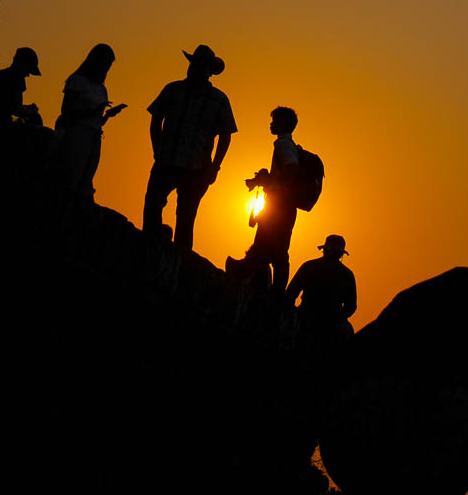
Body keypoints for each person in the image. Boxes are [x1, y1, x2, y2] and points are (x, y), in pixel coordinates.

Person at [142, 44, 237, 251]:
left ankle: (181, 262)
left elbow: (226, 136)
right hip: (166, 159)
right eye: (194, 64)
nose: (195, 68)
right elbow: (156, 119)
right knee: (152, 205)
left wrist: (214, 167)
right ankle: (149, 249)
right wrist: (156, 149)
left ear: (209, 72)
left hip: (196, 167)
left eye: (201, 65)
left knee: (185, 218)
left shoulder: (219, 99)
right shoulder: (172, 89)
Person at [230, 106, 300, 296]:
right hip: (281, 203)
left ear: (283, 123)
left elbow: (291, 168)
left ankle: (258, 280)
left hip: (279, 203)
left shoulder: (282, 144)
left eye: (274, 120)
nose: (271, 124)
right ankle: (254, 278)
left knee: (272, 246)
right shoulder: (287, 144)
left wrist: (279, 188)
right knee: (267, 244)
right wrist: (262, 180)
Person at [56, 43, 126, 197]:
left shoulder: (101, 88)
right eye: (105, 64)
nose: (107, 69)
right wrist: (92, 111)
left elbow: (97, 120)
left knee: (86, 180)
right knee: (71, 178)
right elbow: (66, 110)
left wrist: (107, 115)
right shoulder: (77, 81)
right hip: (77, 134)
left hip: (95, 136)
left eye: (109, 66)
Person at [285, 235, 357, 346]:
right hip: (330, 324)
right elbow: (351, 306)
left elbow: (290, 294)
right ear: (341, 254)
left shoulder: (308, 266)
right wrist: (337, 318)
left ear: (324, 250)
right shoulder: (347, 274)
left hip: (307, 320)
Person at [0, 47, 42, 126]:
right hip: (3, 123)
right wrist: (31, 111)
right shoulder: (18, 79)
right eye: (28, 70)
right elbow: (17, 109)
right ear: (23, 64)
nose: (28, 75)